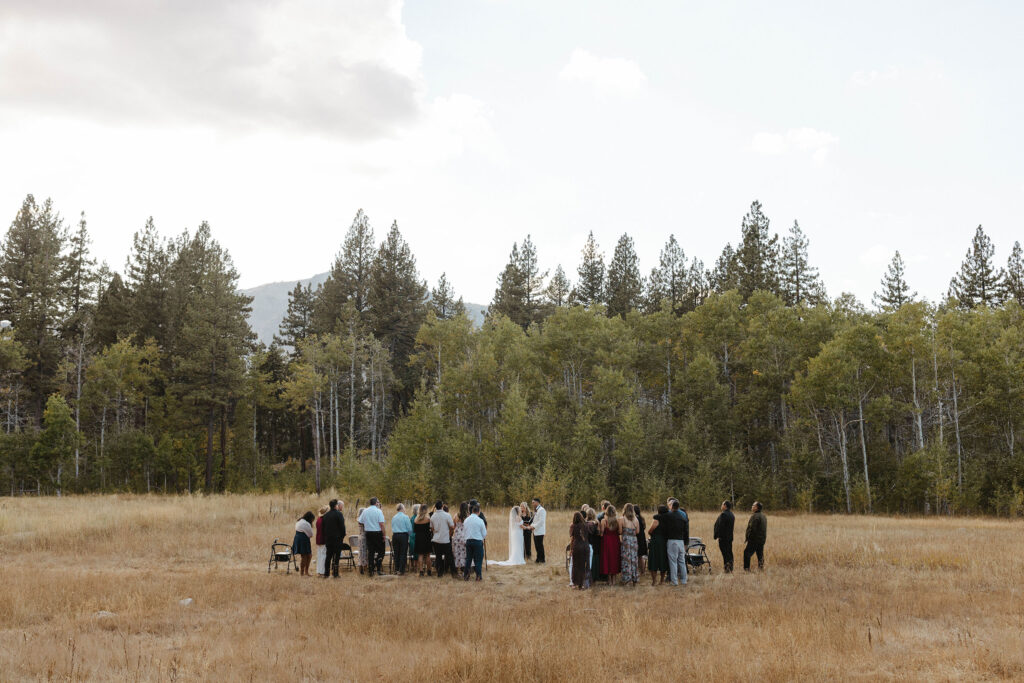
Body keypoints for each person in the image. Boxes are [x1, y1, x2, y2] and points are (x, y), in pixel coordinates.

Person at [654, 500, 688, 586]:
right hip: (681, 541)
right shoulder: (683, 516)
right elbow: (686, 531)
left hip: (672, 541)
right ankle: (684, 580)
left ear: (672, 506)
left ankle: (674, 581)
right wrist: (685, 543)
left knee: (673, 562)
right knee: (682, 562)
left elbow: (657, 516)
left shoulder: (668, 515)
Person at [358, 498, 386, 576]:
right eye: (378, 502)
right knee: (381, 551)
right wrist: (384, 535)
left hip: (368, 533)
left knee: (371, 552)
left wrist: (367, 524)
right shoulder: (378, 511)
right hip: (377, 533)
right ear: (376, 503)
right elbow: (382, 524)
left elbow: (360, 521)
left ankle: (371, 570)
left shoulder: (365, 511)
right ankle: (378, 567)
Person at [429, 500, 456, 578]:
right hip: (445, 539)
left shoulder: (433, 516)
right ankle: (453, 573)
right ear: (442, 506)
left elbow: (432, 528)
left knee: (438, 557)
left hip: (436, 539)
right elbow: (452, 526)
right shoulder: (447, 515)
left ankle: (440, 573)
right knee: (449, 557)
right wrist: (450, 534)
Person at [321, 499, 346, 579]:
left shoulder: (325, 515)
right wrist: (342, 536)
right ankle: (335, 573)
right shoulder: (339, 514)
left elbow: (324, 528)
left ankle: (326, 573)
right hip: (337, 539)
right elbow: (342, 527)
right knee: (336, 557)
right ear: (336, 505)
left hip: (328, 539)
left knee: (328, 556)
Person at [646, 504, 669, 585]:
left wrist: (651, 535)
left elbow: (650, 530)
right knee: (663, 560)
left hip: (656, 541)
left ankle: (654, 581)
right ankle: (662, 580)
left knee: (654, 560)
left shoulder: (656, 519)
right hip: (664, 541)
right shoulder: (668, 520)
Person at [463, 504, 487, 581]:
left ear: (472, 511)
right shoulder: (480, 521)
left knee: (468, 559)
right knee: (478, 560)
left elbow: (464, 531)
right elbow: (484, 533)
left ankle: (466, 575)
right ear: (478, 512)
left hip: (468, 541)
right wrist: (481, 538)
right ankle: (478, 576)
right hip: (477, 542)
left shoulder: (466, 520)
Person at [599, 505, 621, 585]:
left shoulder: (604, 521)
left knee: (607, 558)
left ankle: (609, 580)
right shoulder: (618, 520)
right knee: (614, 558)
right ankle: (614, 580)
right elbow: (619, 532)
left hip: (606, 541)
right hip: (615, 540)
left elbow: (601, 533)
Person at [743, 501, 767, 571]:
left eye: (753, 505)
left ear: (756, 507)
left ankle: (747, 569)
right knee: (760, 554)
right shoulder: (763, 516)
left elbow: (752, 529)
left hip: (754, 540)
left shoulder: (755, 516)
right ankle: (761, 568)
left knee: (746, 553)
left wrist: (749, 538)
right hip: (762, 539)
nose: (752, 507)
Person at [619, 503, 639, 586]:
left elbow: (620, 531)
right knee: (633, 559)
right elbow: (637, 532)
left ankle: (627, 579)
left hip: (626, 540)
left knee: (626, 559)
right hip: (634, 540)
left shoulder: (622, 519)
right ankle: (634, 578)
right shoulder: (636, 519)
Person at [569, 511, 590, 590]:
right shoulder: (586, 525)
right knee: (585, 565)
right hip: (585, 546)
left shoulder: (573, 526)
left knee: (576, 566)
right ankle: (584, 583)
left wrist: (571, 550)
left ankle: (577, 583)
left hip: (577, 546)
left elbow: (572, 539)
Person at [713, 500, 736, 573]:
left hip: (723, 538)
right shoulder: (732, 514)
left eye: (722, 504)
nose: (721, 505)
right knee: (729, 553)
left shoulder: (723, 514)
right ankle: (730, 568)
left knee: (725, 554)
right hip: (729, 537)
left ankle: (727, 569)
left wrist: (718, 536)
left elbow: (720, 527)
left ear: (725, 506)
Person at [391, 503, 412, 575]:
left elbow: (392, 527)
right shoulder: (405, 517)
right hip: (403, 535)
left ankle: (396, 569)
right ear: (402, 508)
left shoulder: (394, 517)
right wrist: (410, 535)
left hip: (395, 535)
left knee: (396, 553)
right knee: (403, 553)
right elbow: (409, 528)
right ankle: (401, 570)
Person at [292, 511, 315, 576]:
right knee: (305, 556)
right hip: (304, 540)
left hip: (297, 538)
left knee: (307, 556)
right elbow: (311, 534)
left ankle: (304, 572)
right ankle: (303, 572)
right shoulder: (306, 524)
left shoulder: (299, 521)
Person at [413, 504, 433, 576]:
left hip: (418, 538)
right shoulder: (428, 519)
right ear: (425, 510)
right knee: (428, 555)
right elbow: (431, 528)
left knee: (420, 555)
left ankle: (421, 571)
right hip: (426, 538)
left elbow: (414, 530)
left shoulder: (416, 519)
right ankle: (429, 571)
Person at [452, 502, 469, 575]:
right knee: (464, 554)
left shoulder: (456, 515)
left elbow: (454, 525)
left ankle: (456, 569)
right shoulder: (468, 516)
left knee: (457, 553)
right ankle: (464, 570)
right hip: (464, 536)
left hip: (457, 536)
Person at [584, 508, 600, 586]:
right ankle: (593, 578)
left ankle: (587, 579)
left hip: (587, 543)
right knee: (593, 561)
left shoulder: (584, 523)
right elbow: (598, 533)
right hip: (595, 544)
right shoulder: (596, 523)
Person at [530, 498, 547, 563]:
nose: (532, 504)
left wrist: (533, 527)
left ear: (537, 502)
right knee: (536, 546)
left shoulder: (542, 510)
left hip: (540, 531)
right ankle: (538, 559)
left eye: (533, 502)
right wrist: (531, 525)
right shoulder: (536, 510)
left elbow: (541, 521)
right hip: (535, 531)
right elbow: (534, 520)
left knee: (540, 546)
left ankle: (542, 560)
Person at [314, 505, 329, 577]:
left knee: (319, 555)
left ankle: (319, 571)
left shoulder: (318, 519)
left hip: (318, 538)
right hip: (323, 539)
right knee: (323, 556)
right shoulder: (324, 520)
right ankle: (322, 572)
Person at [634, 505, 648, 577]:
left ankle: (639, 571)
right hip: (642, 538)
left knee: (637, 556)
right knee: (640, 556)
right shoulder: (641, 518)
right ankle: (643, 571)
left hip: (637, 538)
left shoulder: (635, 518)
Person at [408, 503, 420, 570]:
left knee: (412, 551)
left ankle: (412, 565)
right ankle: (416, 566)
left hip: (411, 536)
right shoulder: (418, 518)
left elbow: (409, 529)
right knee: (417, 552)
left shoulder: (412, 518)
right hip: (416, 536)